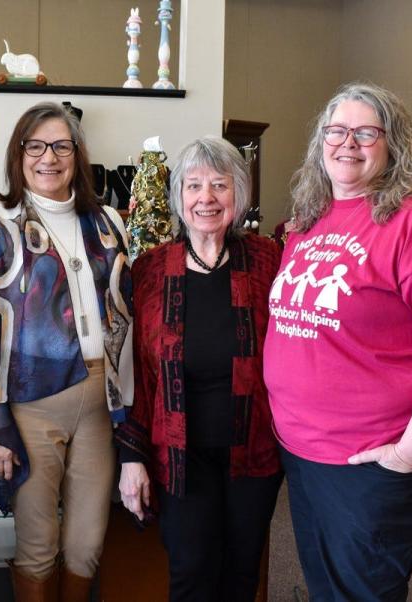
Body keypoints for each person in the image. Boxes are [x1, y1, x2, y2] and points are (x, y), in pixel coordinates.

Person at [263, 82, 412, 601]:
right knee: (328, 588)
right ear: (321, 141)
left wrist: (408, 454)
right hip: (305, 455)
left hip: (374, 460)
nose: (349, 143)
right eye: (338, 131)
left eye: (367, 132)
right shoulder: (309, 221)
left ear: (394, 144)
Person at [0, 102, 133, 601]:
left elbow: (124, 312)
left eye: (61, 145)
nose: (49, 157)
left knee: (87, 542)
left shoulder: (105, 220)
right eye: (35, 146)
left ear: (77, 154)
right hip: (31, 405)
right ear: (19, 155)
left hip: (100, 402)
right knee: (38, 543)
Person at [115, 136, 283, 601]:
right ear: (178, 198)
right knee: (190, 573)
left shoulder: (269, 260)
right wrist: (132, 456)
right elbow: (138, 375)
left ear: (239, 195)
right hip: (180, 455)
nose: (205, 197)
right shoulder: (150, 270)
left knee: (242, 573)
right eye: (193, 186)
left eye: (218, 185)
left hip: (254, 450)